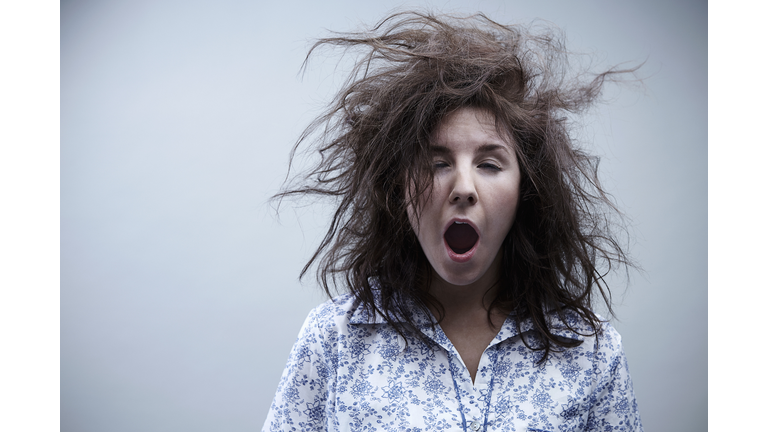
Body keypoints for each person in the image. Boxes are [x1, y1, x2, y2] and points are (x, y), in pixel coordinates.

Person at [264, 11, 643, 432]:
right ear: (398, 188)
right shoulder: (332, 340)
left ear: (527, 191)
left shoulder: (591, 352)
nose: (463, 187)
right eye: (437, 162)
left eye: (489, 164)